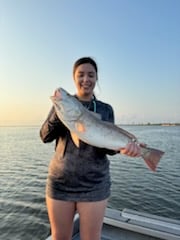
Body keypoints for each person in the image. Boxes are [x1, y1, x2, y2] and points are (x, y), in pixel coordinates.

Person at [40, 57, 141, 240]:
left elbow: (107, 147)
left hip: (94, 183)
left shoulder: (105, 109)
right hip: (60, 182)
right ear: (74, 78)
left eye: (91, 75)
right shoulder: (62, 105)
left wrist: (123, 148)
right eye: (81, 75)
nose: (86, 79)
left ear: (96, 79)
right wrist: (58, 113)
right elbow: (44, 136)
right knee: (59, 237)